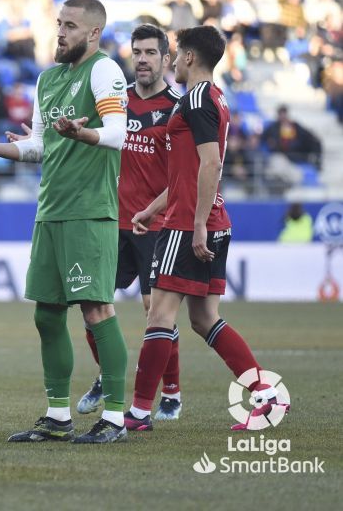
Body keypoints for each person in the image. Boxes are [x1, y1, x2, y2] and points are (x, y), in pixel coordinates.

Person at [0, 0, 130, 444]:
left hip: (89, 210)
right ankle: (58, 417)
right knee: (47, 315)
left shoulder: (103, 70)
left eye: (70, 26)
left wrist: (83, 132)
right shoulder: (47, 79)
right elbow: (40, 147)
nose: (60, 32)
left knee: (96, 310)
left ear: (94, 33)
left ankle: (116, 419)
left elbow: (118, 133)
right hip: (51, 209)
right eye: (59, 23)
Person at [127, 25, 285, 432]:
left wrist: (196, 224)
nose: (173, 63)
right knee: (203, 318)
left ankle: (139, 413)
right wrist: (151, 209)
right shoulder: (215, 97)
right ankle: (265, 394)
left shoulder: (195, 100)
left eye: (177, 54)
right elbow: (189, 171)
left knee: (159, 316)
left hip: (188, 224)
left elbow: (211, 164)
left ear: (190, 57)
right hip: (207, 219)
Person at [75, 24, 184, 421]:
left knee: (156, 312)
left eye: (151, 52)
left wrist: (154, 211)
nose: (142, 59)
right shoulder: (116, 101)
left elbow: (182, 175)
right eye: (137, 52)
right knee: (91, 303)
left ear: (166, 59)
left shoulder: (177, 107)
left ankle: (171, 392)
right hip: (112, 220)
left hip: (156, 225)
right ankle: (107, 375)